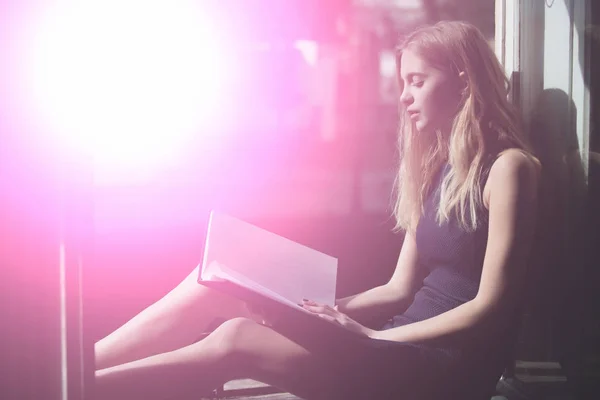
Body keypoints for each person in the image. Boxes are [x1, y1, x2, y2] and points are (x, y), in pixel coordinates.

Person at [94, 20, 541, 400]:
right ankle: (75, 368)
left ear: (464, 80)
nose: (404, 97)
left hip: (440, 369)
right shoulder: (438, 170)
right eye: (403, 83)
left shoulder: (509, 169)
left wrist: (375, 336)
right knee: (220, 284)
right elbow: (397, 289)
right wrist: (315, 311)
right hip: (391, 343)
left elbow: (490, 306)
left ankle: (74, 389)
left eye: (417, 81)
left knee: (235, 337)